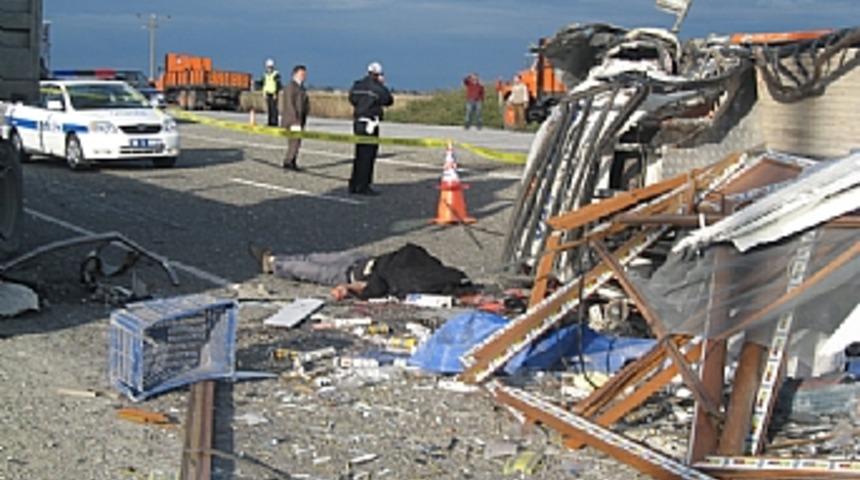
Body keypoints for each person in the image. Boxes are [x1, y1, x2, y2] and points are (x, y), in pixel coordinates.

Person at [249, 243, 472, 300]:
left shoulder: (421, 273)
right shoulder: (412, 280)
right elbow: (372, 287)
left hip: (358, 264)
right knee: (309, 266)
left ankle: (272, 261)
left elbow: (372, 288)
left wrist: (346, 288)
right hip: (355, 266)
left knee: (310, 263)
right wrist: (347, 288)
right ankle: (275, 261)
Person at [348, 62, 393, 196]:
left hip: (358, 122)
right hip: (371, 123)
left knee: (359, 154)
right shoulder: (377, 88)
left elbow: (352, 99)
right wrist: (381, 85)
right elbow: (389, 100)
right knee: (368, 155)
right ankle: (364, 185)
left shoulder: (357, 85)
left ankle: (354, 184)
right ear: (378, 75)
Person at [279, 65, 310, 171]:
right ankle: (288, 161)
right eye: (302, 74)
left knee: (297, 142)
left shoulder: (302, 88)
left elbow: (305, 104)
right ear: (295, 74)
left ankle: (292, 160)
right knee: (294, 142)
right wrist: (295, 120)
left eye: (305, 74)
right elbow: (289, 105)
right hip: (292, 120)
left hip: (299, 120)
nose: (304, 76)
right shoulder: (290, 87)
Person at [262, 59, 282, 127]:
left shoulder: (276, 74)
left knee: (274, 109)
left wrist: (275, 93)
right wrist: (264, 93)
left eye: (270, 67)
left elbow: (278, 84)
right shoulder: (265, 75)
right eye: (268, 67)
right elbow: (264, 84)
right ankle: (270, 122)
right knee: (269, 108)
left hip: (274, 94)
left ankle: (275, 123)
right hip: (268, 93)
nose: (269, 68)